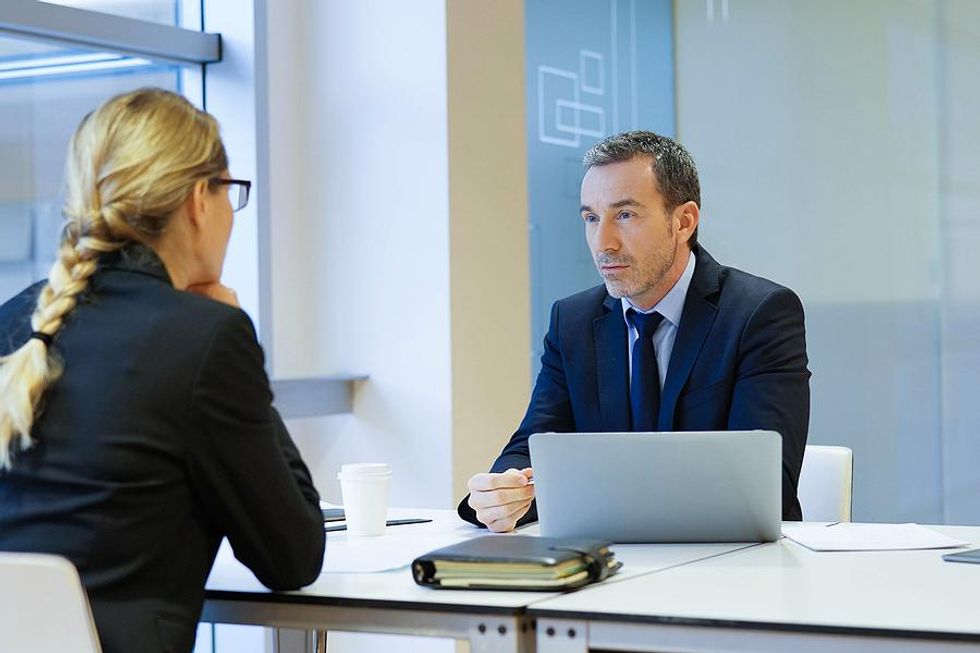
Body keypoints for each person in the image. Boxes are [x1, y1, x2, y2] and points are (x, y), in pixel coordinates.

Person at [0, 88, 325, 653]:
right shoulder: (205, 338)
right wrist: (234, 337)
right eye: (231, 193)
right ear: (200, 199)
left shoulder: (14, 324)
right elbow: (293, 557)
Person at [459, 130, 810, 532]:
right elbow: (534, 445)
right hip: (605, 564)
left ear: (684, 221)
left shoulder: (758, 314)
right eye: (591, 218)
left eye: (625, 215)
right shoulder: (572, 321)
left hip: (729, 566)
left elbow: (768, 489)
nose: (602, 243)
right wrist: (502, 493)